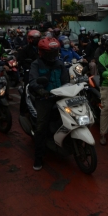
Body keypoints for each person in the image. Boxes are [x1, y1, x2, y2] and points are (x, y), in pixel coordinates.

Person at [28, 38, 69, 170]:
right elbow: (33, 81)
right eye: (49, 53)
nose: (52, 55)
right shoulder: (36, 64)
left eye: (54, 52)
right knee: (41, 128)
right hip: (44, 98)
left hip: (60, 96)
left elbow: (66, 80)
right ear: (42, 52)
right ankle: (38, 158)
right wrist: (41, 91)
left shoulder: (60, 64)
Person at [17, 30, 41, 114]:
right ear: (29, 39)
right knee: (26, 90)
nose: (36, 40)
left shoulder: (41, 48)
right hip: (29, 71)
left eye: (38, 38)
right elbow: (21, 61)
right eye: (34, 38)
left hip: (41, 71)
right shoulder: (25, 49)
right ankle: (23, 112)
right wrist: (26, 66)